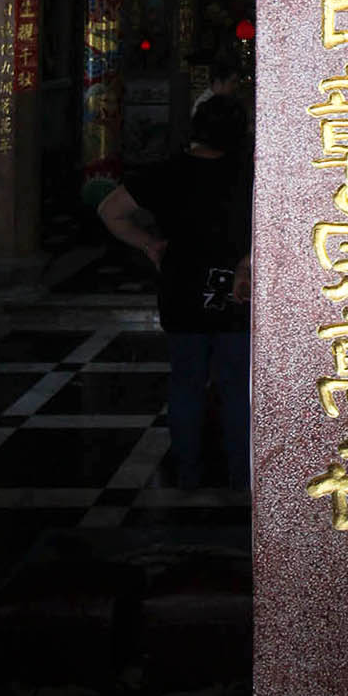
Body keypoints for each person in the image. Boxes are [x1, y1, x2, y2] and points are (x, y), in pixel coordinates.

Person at [98, 94, 253, 491]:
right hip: (238, 292)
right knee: (237, 387)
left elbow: (109, 211)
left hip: (181, 290)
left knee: (186, 383)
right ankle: (241, 478)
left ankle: (188, 474)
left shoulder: (165, 172)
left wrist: (149, 244)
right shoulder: (250, 174)